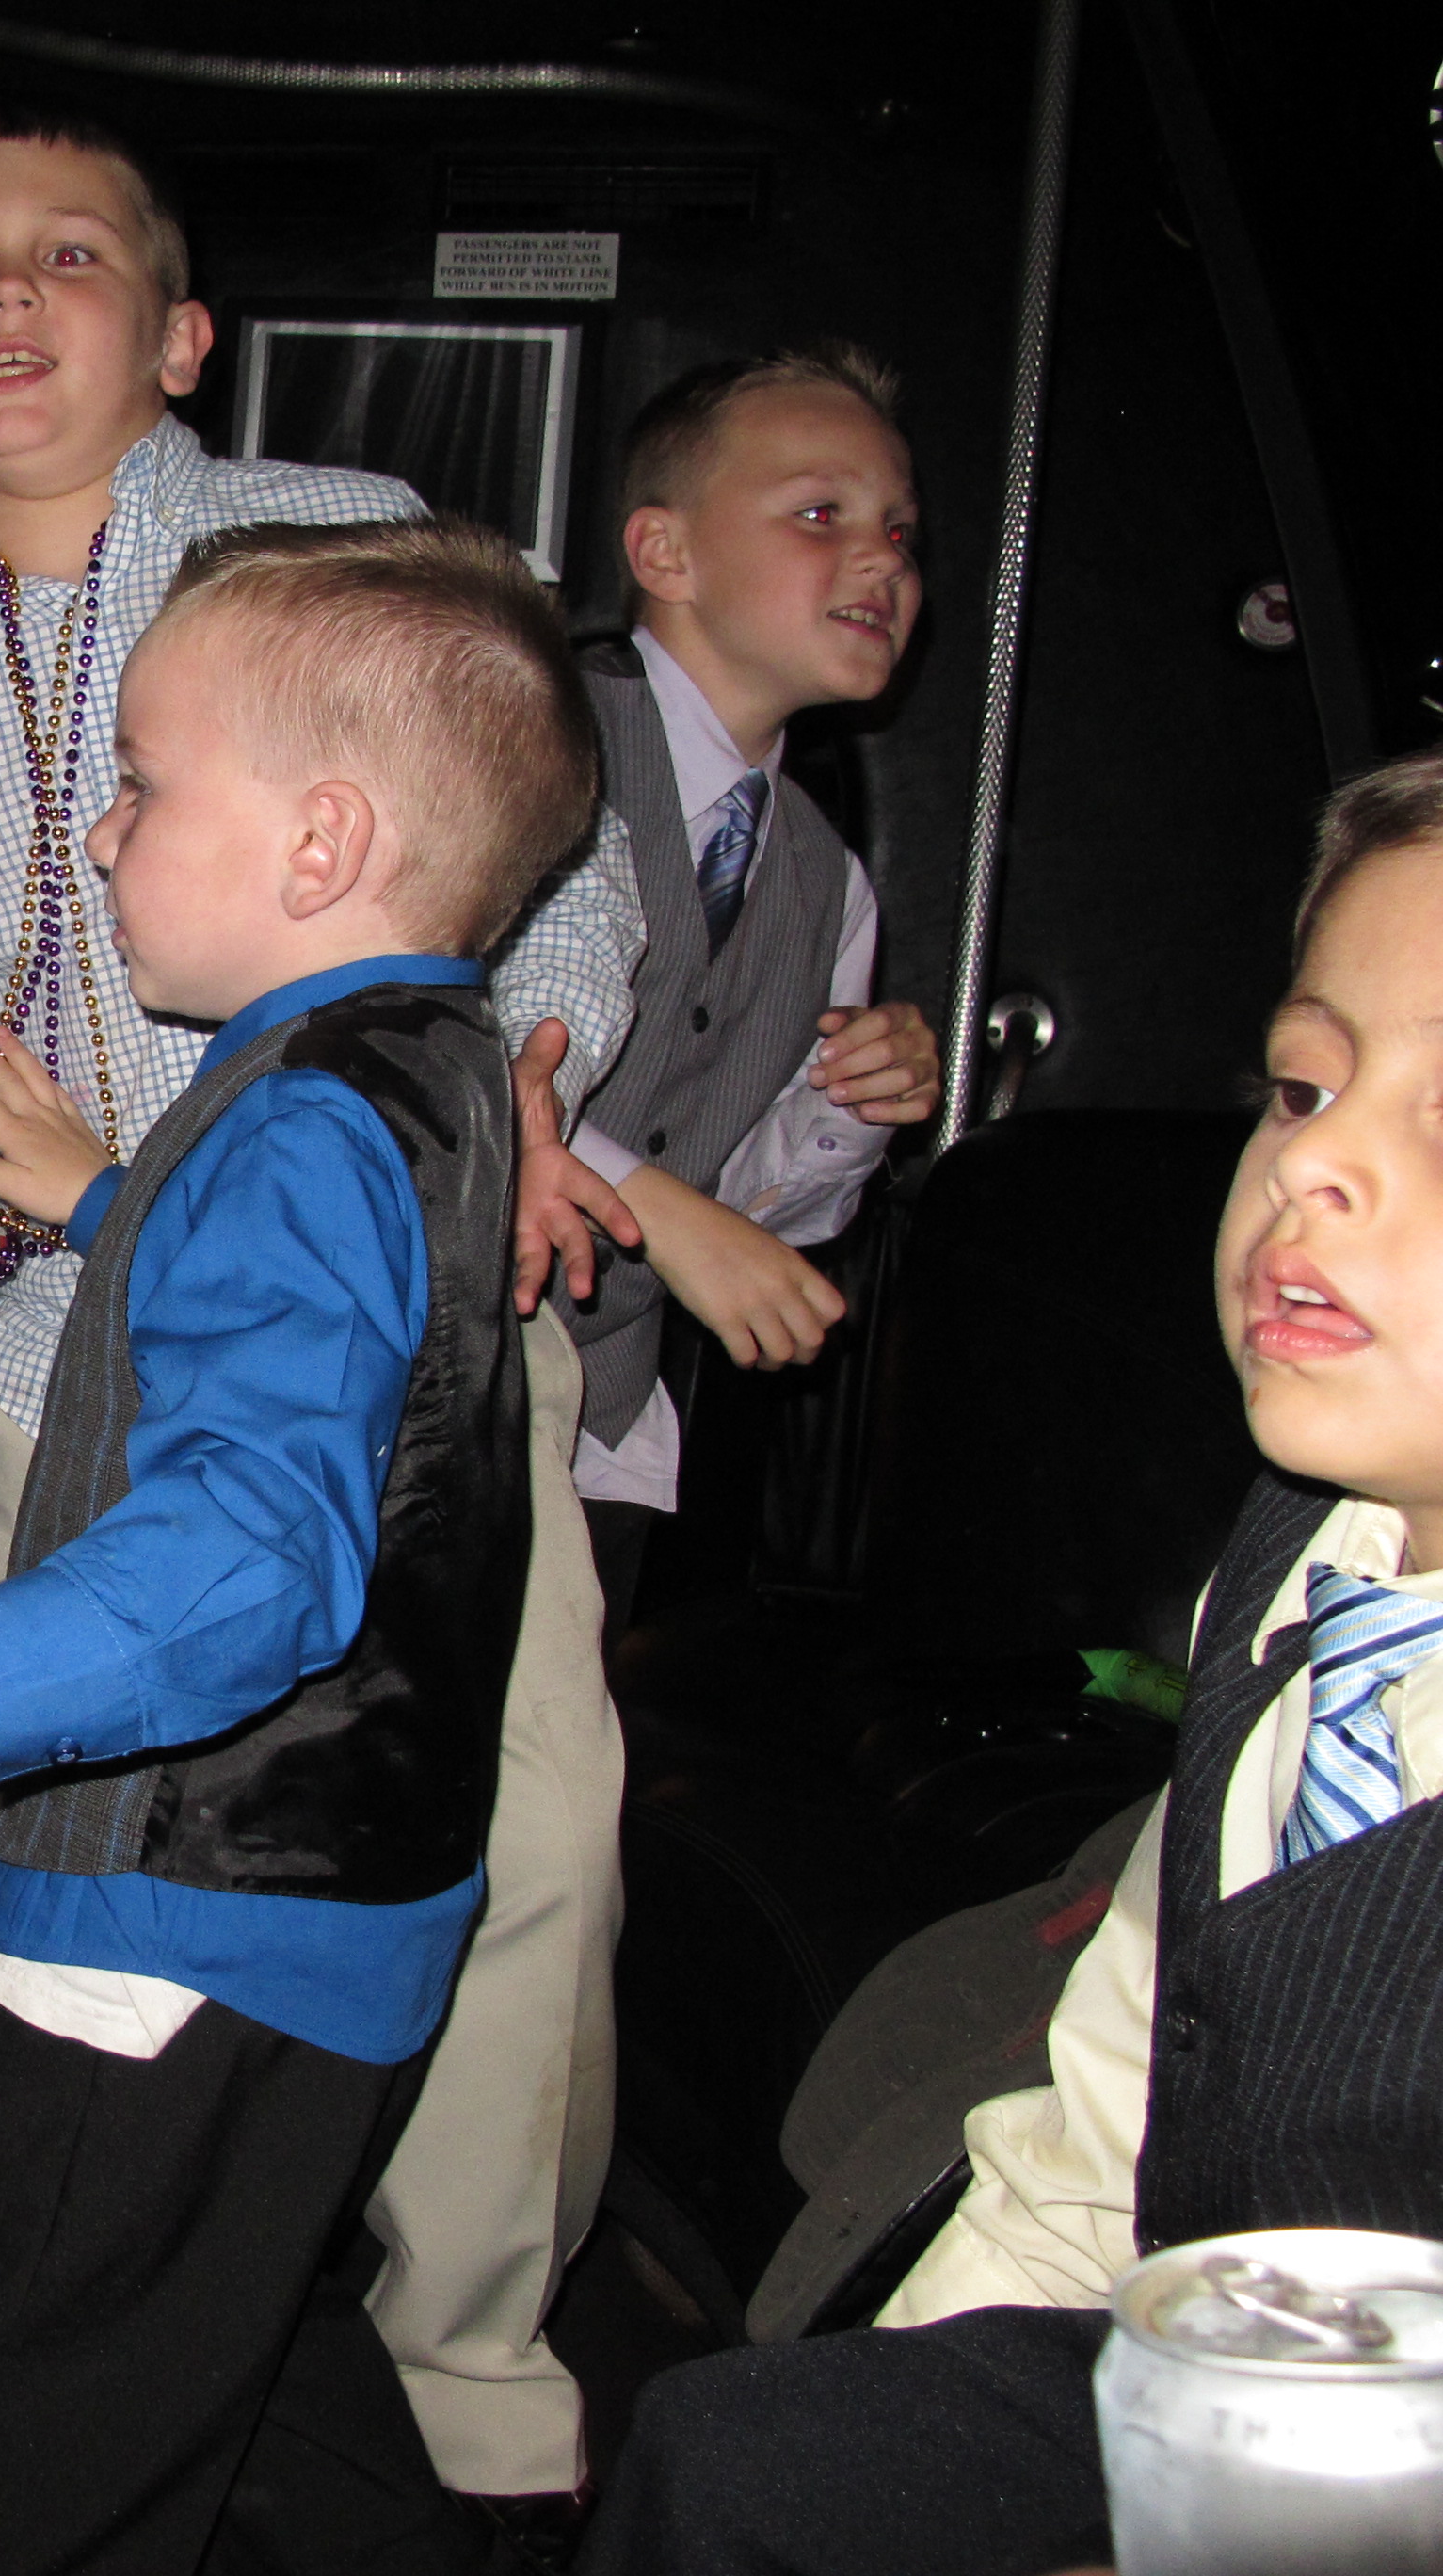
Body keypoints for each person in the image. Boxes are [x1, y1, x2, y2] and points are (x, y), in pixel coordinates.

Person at [0, 95, 645, 2522]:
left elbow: (545, 851)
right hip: (66, 1356)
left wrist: (532, 1081)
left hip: (408, 1324)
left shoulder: (341, 544)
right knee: (30, 1895)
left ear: (181, 334)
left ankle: (462, 2390)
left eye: (70, 252)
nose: (6, 292)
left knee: (505, 1843)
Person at [578, 749, 1443, 2573]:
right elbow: (1120, 2092)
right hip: (1190, 2322)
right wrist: (917, 2396)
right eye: (1304, 1087)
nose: (1316, 1161)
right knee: (740, 2463)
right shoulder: (1303, 1559)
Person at [528, 346, 948, 1619]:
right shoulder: (525, 735)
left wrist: (846, 1110)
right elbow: (424, 1044)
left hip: (597, 1435)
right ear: (664, 553)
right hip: (390, 1396)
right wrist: (663, 1215)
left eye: (900, 532)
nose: (882, 561)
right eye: (822, 514)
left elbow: (764, 1215)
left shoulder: (827, 880)